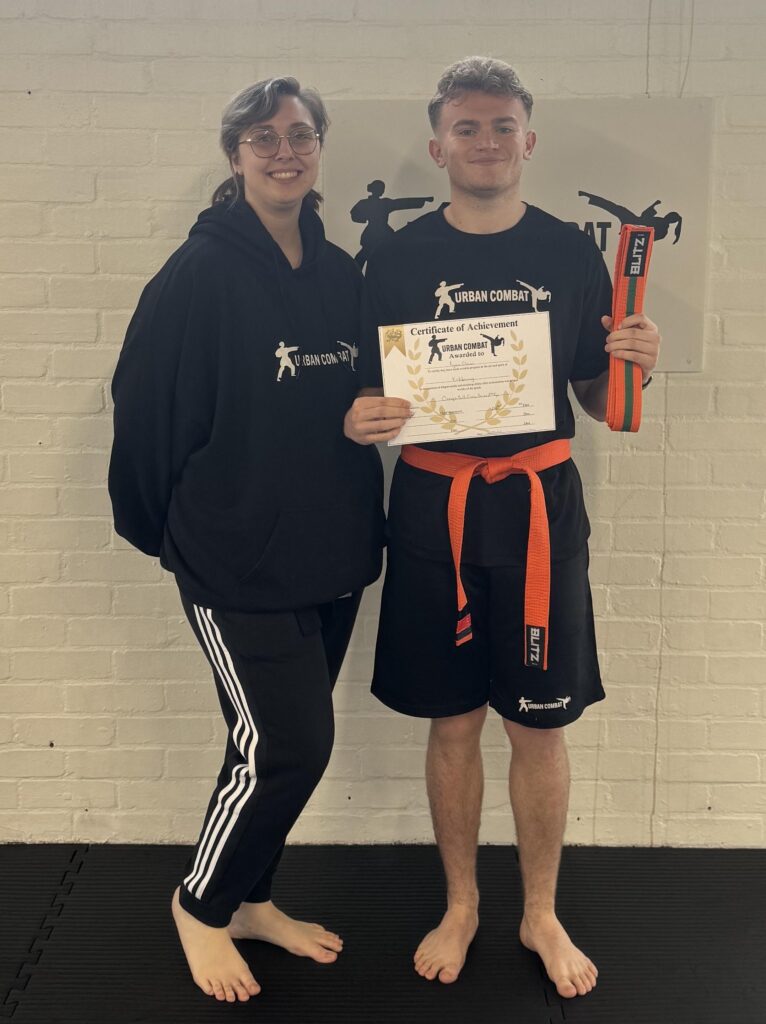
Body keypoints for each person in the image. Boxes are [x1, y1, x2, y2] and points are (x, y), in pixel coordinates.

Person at [344, 56, 661, 999]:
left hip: (535, 507)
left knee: (540, 722)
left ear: (530, 139)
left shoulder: (570, 252)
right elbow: (367, 390)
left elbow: (604, 403)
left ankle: (539, 909)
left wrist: (635, 362)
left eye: (502, 126)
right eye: (467, 128)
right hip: (434, 504)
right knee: (453, 717)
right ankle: (461, 902)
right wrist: (360, 417)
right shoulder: (394, 258)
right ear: (439, 145)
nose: (486, 142)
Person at [109, 76, 384, 1004]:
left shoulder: (341, 269)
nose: (285, 150)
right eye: (263, 137)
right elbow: (142, 417)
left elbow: (359, 391)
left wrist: (371, 416)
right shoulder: (197, 274)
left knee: (263, 745)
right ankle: (200, 903)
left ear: (318, 150)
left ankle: (251, 898)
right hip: (235, 561)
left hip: (335, 553)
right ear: (235, 155)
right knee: (292, 747)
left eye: (300, 134)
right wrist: (172, 537)